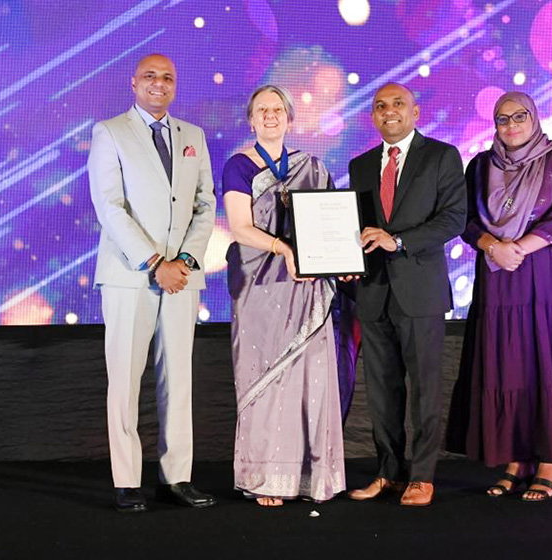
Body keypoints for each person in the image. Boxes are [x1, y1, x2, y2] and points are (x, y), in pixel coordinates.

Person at [446, 91, 552, 501]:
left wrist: (517, 248)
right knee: (509, 362)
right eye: (503, 118)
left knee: (547, 358)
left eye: (520, 116)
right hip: (499, 275)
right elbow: (465, 219)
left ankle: (551, 463)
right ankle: (517, 460)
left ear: (534, 118)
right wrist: (492, 246)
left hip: (548, 272)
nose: (511, 124)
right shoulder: (480, 166)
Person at [88, 54, 217, 513]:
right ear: (134, 83)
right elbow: (110, 207)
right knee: (125, 379)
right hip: (130, 277)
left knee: (178, 378)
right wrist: (155, 262)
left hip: (182, 277)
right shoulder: (110, 132)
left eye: (167, 78)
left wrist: (185, 260)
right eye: (150, 76)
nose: (159, 84)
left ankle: (176, 478)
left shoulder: (192, 136)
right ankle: (127, 481)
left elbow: (205, 203)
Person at [222, 85, 346, 507]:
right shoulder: (239, 166)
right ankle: (265, 479)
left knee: (311, 377)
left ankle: (312, 478)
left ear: (290, 119)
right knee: (265, 377)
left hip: (307, 287)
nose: (270, 115)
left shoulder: (313, 167)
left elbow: (331, 224)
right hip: (260, 286)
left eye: (278, 109)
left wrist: (340, 261)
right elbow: (240, 228)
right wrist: (286, 250)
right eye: (262, 110)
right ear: (251, 120)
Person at [346, 83, 467, 507]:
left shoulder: (441, 157)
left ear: (415, 112)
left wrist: (397, 241)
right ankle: (389, 472)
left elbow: (454, 218)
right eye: (380, 106)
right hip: (373, 291)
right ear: (373, 117)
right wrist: (345, 257)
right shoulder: (361, 165)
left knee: (424, 389)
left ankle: (422, 476)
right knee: (382, 391)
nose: (389, 111)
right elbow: (355, 226)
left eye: (398, 104)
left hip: (420, 291)